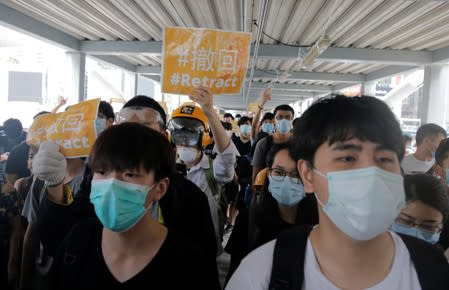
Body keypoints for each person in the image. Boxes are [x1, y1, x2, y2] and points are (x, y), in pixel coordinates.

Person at [226, 95, 449, 290]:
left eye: (384, 159)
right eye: (348, 158)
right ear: (308, 175)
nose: (370, 175)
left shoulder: (432, 271)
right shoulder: (262, 273)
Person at [50, 122, 218, 289]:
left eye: (129, 174)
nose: (111, 185)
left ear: (159, 188)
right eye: (101, 172)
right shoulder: (77, 242)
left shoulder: (190, 265)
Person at [225, 142, 318, 283]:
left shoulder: (320, 226)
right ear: (268, 174)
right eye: (279, 172)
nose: (287, 180)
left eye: (296, 174)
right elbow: (235, 277)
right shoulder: (248, 221)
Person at [168, 87, 238, 251]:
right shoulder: (166, 169)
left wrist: (210, 113)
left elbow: (227, 157)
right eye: (180, 135)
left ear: (204, 137)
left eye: (191, 135)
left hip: (206, 248)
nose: (184, 142)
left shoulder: (213, 170)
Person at [391, 174, 449, 247]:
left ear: (441, 226)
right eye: (406, 221)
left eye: (428, 226)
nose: (415, 235)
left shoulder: (436, 257)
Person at [251, 104, 294, 183]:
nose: (284, 121)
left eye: (288, 117)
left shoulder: (300, 143)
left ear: (292, 120)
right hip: (269, 191)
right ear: (274, 121)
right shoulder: (263, 144)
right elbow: (256, 174)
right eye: (279, 117)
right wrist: (256, 193)